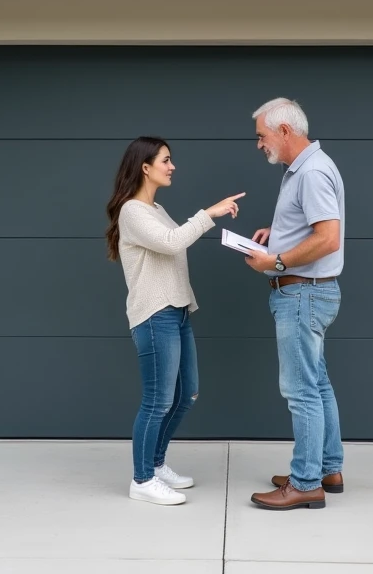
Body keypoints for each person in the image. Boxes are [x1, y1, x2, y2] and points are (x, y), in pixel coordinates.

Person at [105, 136, 244, 506]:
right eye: (165, 160)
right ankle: (142, 479)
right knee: (157, 401)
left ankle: (156, 463)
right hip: (155, 316)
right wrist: (209, 213)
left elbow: (173, 244)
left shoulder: (156, 209)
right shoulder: (132, 211)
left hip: (177, 312)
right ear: (145, 167)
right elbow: (171, 242)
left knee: (187, 394)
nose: (172, 166)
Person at [241, 99, 346, 511]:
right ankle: (327, 469)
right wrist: (279, 233)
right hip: (310, 291)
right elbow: (312, 227)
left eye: (261, 136)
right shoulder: (303, 169)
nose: (259, 144)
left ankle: (305, 483)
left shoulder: (312, 172)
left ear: (284, 131)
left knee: (301, 390)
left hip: (302, 293)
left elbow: (328, 238)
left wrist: (277, 261)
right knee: (317, 384)